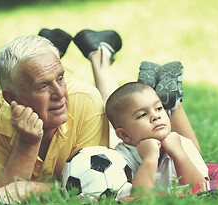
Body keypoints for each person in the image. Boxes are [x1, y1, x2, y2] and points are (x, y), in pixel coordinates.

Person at [0, 29, 123, 200]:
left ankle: (99, 53)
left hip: (113, 133)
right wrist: (27, 143)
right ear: (11, 98)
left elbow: (91, 186)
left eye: (61, 78)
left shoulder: (85, 99)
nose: (60, 94)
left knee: (116, 114)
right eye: (43, 86)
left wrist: (28, 190)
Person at [86, 42, 209, 193]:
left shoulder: (182, 144)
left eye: (159, 108)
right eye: (143, 115)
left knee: (196, 151)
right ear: (124, 135)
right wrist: (150, 158)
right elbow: (138, 197)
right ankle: (162, 99)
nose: (155, 117)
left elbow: (202, 190)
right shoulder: (121, 158)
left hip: (181, 149)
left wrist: (178, 153)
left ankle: (171, 103)